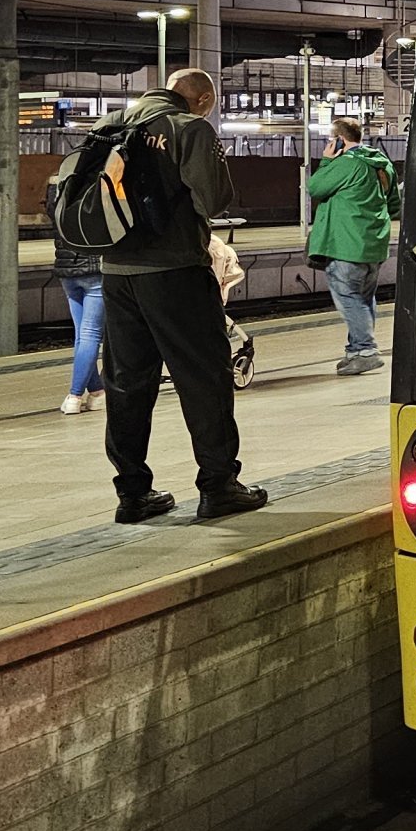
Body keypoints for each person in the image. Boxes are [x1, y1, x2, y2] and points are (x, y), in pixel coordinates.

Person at [102, 67, 264, 523]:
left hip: (115, 272)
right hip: (174, 270)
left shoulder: (111, 122)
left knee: (126, 385)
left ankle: (133, 494)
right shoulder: (189, 128)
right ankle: (219, 486)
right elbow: (214, 200)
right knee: (204, 377)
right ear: (203, 100)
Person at [307, 117, 396, 375]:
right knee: (364, 298)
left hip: (346, 244)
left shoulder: (346, 163)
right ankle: (355, 350)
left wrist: (326, 161)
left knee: (348, 296)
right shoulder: (382, 163)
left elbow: (315, 187)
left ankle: (366, 351)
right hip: (373, 244)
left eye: (329, 139)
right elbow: (394, 204)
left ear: (339, 140)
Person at [44, 171, 103, 415]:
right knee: (90, 335)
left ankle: (97, 392)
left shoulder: (55, 194)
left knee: (81, 336)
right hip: (94, 272)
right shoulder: (93, 192)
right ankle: (74, 396)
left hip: (67, 272)